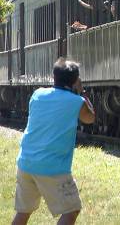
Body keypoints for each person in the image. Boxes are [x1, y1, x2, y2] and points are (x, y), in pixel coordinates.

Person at [12, 58, 95, 225]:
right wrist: (82, 92)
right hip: (52, 167)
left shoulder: (37, 94)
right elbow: (90, 118)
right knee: (71, 210)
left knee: (23, 213)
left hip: (26, 162)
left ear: (54, 77)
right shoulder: (76, 102)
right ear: (75, 80)